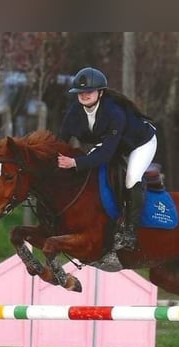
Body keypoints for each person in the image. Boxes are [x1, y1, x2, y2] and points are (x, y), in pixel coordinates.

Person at [56, 66, 158, 250]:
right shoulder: (74, 112)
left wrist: (75, 162)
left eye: (89, 91)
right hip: (114, 144)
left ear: (100, 92)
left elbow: (105, 154)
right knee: (93, 175)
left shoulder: (114, 112)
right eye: (80, 92)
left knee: (131, 178)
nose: (84, 95)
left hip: (140, 143)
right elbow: (60, 141)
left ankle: (130, 233)